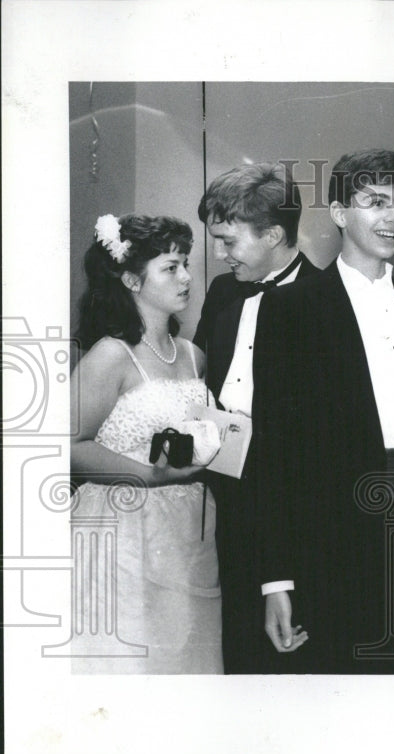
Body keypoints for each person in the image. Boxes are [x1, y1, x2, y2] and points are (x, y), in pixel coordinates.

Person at [249, 149, 394, 674]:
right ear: (339, 213)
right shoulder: (291, 309)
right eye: (375, 202)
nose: (393, 217)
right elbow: (272, 455)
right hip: (333, 544)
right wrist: (277, 580)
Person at [70, 214, 222, 674]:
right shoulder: (111, 354)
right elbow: (67, 445)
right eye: (170, 267)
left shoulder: (194, 355)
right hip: (125, 528)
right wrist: (150, 475)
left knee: (186, 659)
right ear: (133, 279)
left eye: (185, 265)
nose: (185, 277)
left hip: (190, 531)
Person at [192, 162, 319, 674]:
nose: (219, 255)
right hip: (222, 503)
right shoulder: (225, 292)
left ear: (272, 234)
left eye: (228, 241)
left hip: (289, 514)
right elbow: (200, 378)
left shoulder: (323, 305)